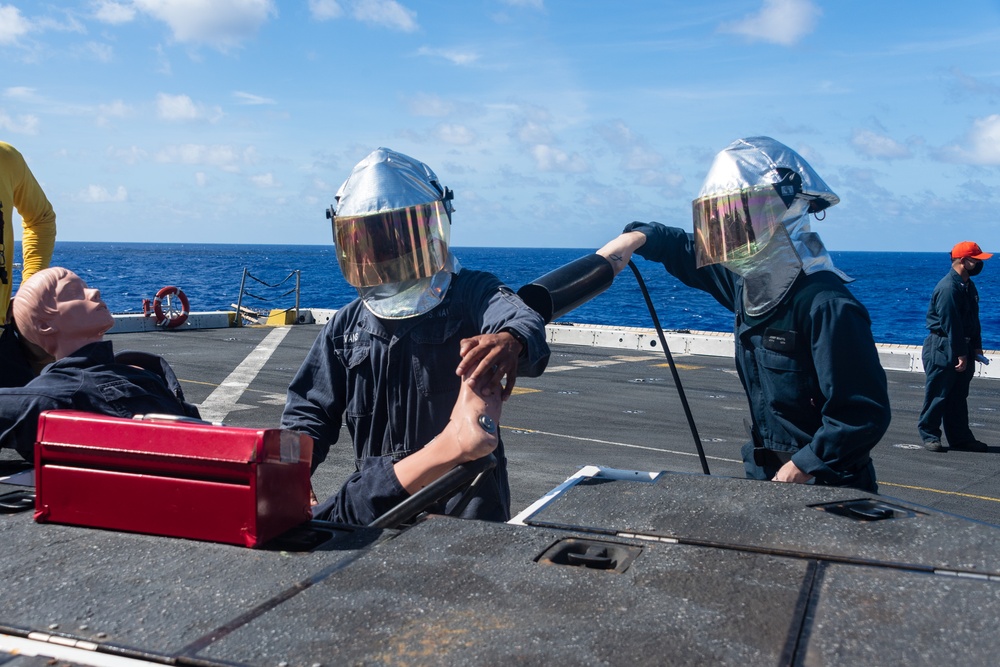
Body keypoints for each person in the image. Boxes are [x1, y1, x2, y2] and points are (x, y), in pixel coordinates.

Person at [597, 136, 890, 493]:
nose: (726, 234)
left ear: (777, 211)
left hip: (826, 484)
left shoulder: (826, 304)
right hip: (767, 474)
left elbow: (861, 414)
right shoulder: (751, 285)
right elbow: (683, 249)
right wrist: (637, 239)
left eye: (736, 218)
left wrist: (803, 466)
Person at [281, 148, 549, 526]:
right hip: (382, 506)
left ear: (428, 229)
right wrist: (292, 470)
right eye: (372, 239)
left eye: (396, 235)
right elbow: (308, 411)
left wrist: (510, 339)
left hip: (467, 513)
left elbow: (517, 315)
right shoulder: (347, 327)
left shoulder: (469, 293)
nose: (386, 251)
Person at [0, 267, 199, 461]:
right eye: (72, 293)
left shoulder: (139, 369)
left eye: (86, 287)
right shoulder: (53, 395)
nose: (95, 292)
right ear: (44, 325)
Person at [917, 241, 992, 452]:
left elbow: (972, 319)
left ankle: (960, 438)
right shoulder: (948, 287)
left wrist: (976, 348)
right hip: (943, 346)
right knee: (938, 393)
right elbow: (951, 324)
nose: (978, 263)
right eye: (975, 259)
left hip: (961, 344)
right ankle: (930, 435)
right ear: (962, 260)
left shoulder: (967, 285)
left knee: (959, 396)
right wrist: (960, 353)